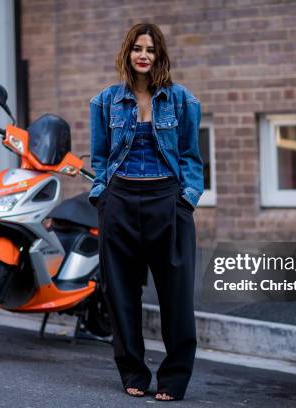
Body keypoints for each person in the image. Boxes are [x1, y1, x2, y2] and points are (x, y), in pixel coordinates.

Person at [88, 22, 203, 401]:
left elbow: (190, 156)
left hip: (167, 202)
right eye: (137, 48)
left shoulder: (182, 100)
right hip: (119, 201)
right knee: (119, 294)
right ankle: (133, 371)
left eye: (150, 50)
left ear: (159, 56)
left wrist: (186, 199)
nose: (143, 55)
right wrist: (102, 195)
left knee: (176, 297)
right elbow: (100, 157)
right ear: (127, 53)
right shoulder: (104, 102)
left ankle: (174, 378)